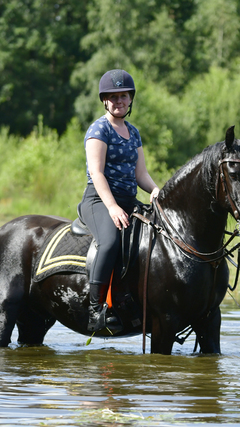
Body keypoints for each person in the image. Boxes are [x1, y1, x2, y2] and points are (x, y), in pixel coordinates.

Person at [78, 69, 160, 332]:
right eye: (113, 97)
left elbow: (141, 174)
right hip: (99, 200)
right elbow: (97, 173)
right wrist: (112, 207)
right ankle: (95, 310)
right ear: (105, 100)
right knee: (110, 240)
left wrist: (156, 190)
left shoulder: (133, 132)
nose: (119, 101)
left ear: (130, 98)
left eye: (123, 95)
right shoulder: (98, 129)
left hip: (129, 199)